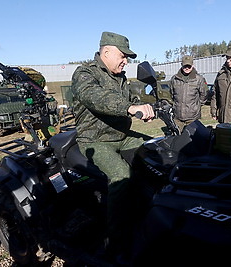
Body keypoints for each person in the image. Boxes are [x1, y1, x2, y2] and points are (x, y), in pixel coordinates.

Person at [71, 31, 155, 261]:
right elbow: (95, 98)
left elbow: (130, 100)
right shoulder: (85, 73)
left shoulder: (120, 77)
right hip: (95, 140)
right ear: (106, 52)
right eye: (123, 56)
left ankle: (151, 209)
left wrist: (146, 106)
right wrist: (128, 108)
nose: (126, 61)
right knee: (120, 175)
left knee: (157, 151)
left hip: (121, 135)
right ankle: (116, 240)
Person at [170, 55, 208, 131]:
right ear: (181, 65)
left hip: (192, 118)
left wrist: (196, 107)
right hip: (178, 117)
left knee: (193, 140)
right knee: (178, 139)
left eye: (189, 66)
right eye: (185, 66)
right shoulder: (174, 79)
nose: (187, 68)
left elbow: (204, 95)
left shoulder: (199, 79)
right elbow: (171, 94)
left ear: (192, 65)